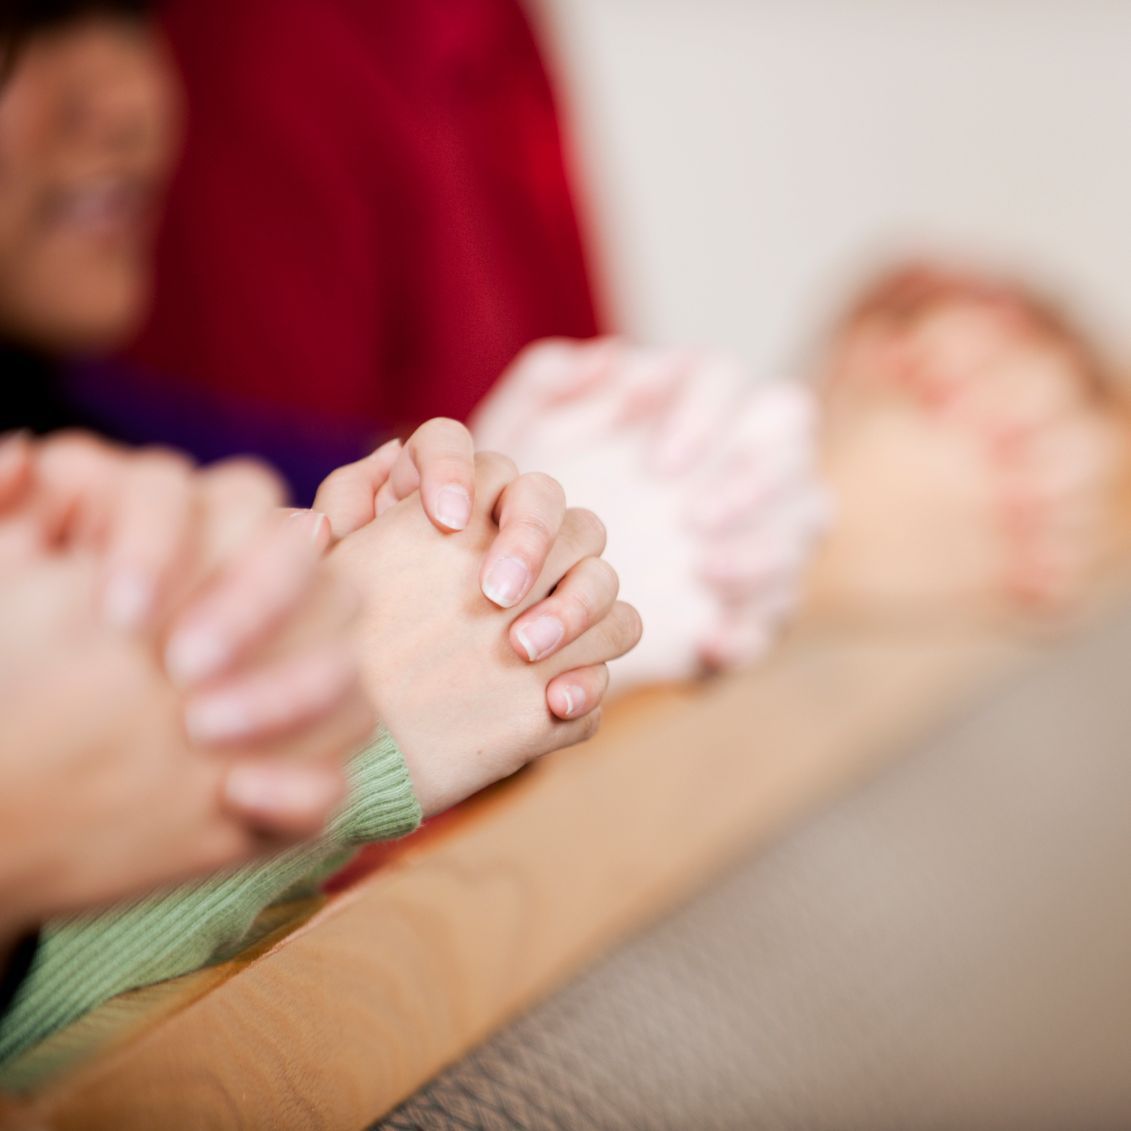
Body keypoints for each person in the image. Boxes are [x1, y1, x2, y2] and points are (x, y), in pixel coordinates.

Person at [0, 0, 641, 1063]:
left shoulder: (113, 439)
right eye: (20, 33)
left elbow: (410, 510)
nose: (120, 100)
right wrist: (344, 722)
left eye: (128, 16)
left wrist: (460, 540)